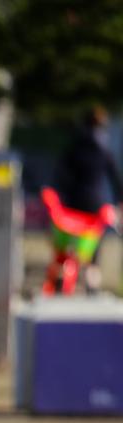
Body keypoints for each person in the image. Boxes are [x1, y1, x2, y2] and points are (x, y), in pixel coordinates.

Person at [54, 106, 123, 293]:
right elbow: (115, 179)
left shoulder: (75, 148)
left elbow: (61, 176)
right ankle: (91, 283)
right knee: (93, 245)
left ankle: (65, 277)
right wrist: (118, 203)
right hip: (95, 203)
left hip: (74, 202)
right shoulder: (103, 150)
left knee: (70, 243)